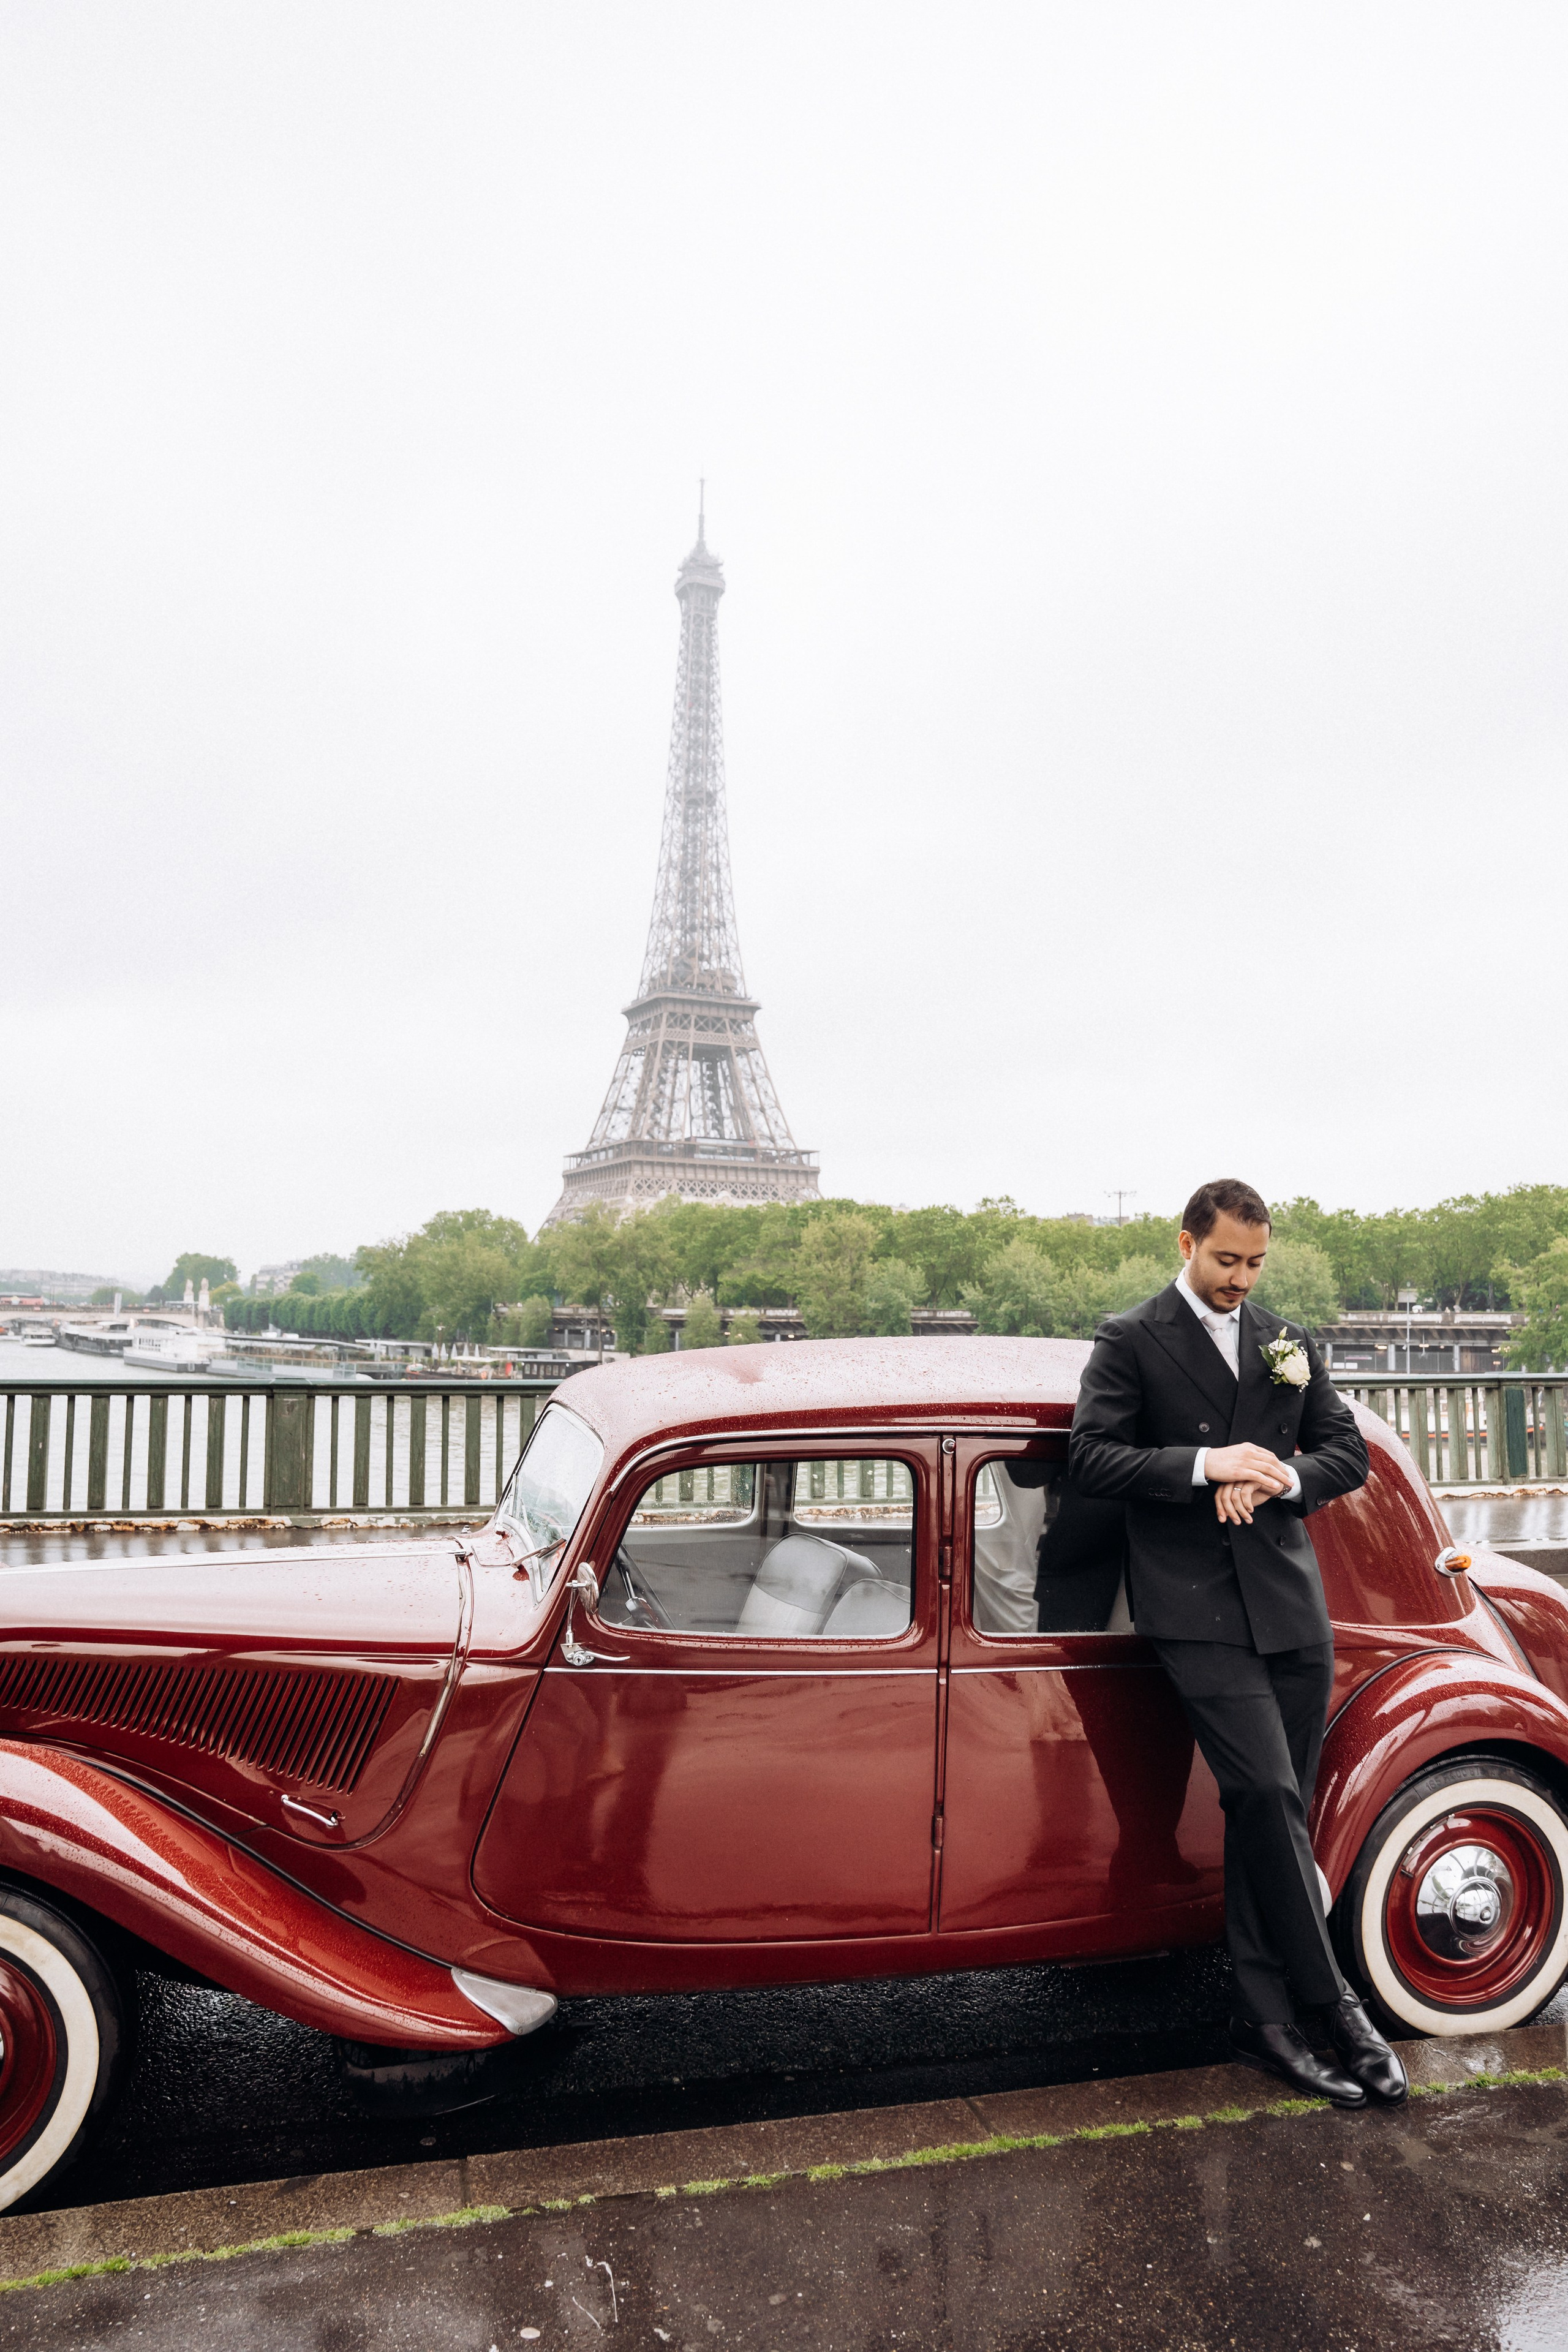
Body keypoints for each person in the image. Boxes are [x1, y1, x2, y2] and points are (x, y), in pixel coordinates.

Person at [1068, 1177, 1406, 2109]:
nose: (1241, 1281)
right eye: (1226, 1261)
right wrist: (1204, 1466)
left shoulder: (1288, 1342)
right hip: (1191, 1609)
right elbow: (1090, 1458)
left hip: (1291, 1609)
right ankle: (1332, 2004)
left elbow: (1348, 1453)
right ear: (1186, 1245)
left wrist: (1277, 1479)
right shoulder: (1129, 1339)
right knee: (1260, 1791)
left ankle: (1260, 2023)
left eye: (1256, 1264)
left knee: (1277, 1811)